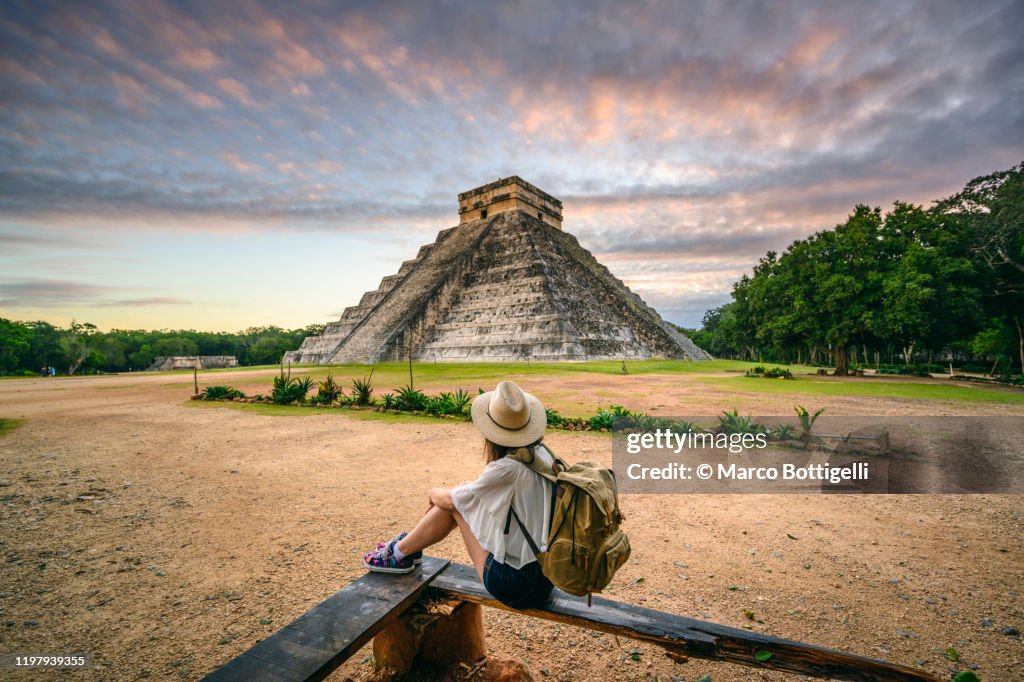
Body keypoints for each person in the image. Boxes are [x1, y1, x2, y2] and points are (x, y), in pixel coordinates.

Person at [363, 381, 555, 609]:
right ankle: (403, 550)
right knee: (460, 496)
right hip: (545, 578)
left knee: (452, 505)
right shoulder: (543, 456)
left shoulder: (507, 469)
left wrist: (432, 492)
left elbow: (454, 501)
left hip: (516, 586)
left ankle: (398, 553)